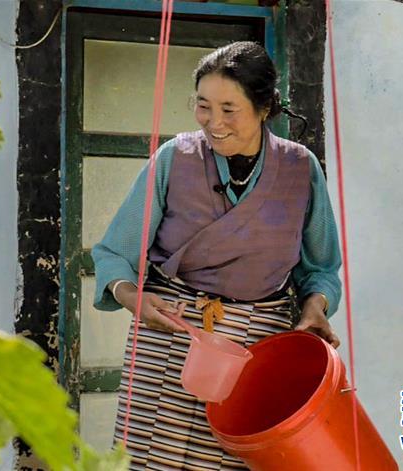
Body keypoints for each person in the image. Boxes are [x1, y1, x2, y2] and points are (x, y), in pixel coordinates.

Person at [91, 41, 342, 470]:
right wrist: (133, 298)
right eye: (203, 106)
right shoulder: (173, 158)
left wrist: (315, 307)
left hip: (255, 345)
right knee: (150, 459)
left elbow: (321, 269)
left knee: (232, 457)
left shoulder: (301, 168)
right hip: (172, 332)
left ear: (264, 108)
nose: (214, 122)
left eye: (230, 109)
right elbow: (115, 251)